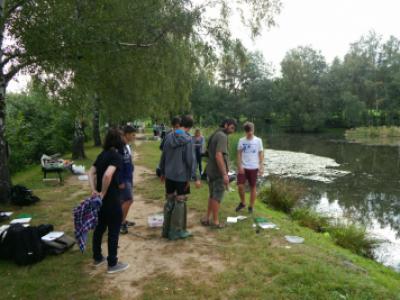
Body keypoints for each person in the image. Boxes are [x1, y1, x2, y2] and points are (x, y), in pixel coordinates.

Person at [88, 129, 129, 274]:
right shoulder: (116, 156)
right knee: (113, 231)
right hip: (110, 200)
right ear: (119, 140)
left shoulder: (102, 155)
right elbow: (107, 175)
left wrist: (94, 190)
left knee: (99, 228)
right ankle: (112, 264)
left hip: (99, 202)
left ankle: (98, 257)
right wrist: (103, 193)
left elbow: (91, 172)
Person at [159, 115, 201, 240]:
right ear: (190, 126)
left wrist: (162, 171)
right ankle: (176, 231)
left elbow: (163, 155)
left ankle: (166, 230)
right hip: (182, 176)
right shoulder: (188, 139)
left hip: (169, 175)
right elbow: (190, 160)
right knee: (180, 201)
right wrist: (195, 177)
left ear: (181, 123)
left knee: (170, 199)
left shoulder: (168, 136)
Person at [201, 119, 237, 228]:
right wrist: (225, 174)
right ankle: (216, 222)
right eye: (231, 128)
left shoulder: (215, 133)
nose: (232, 131)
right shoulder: (222, 136)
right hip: (217, 172)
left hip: (211, 170)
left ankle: (207, 219)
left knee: (212, 195)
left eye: (234, 129)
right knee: (217, 197)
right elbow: (219, 155)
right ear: (226, 125)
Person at [235, 122, 264, 214]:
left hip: (254, 167)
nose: (249, 133)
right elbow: (239, 153)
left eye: (251, 131)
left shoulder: (258, 140)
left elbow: (261, 153)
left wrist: (261, 166)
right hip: (243, 167)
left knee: (253, 187)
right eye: (248, 131)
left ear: (253, 130)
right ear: (245, 131)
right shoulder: (241, 140)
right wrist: (239, 166)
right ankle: (243, 202)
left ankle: (251, 206)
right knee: (240, 186)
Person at [119, 125, 137, 234]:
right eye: (133, 135)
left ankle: (123, 220)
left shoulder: (127, 146)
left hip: (128, 177)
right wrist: (120, 181)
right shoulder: (120, 147)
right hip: (123, 179)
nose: (134, 136)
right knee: (128, 200)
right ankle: (120, 224)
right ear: (127, 134)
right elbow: (118, 165)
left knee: (124, 200)